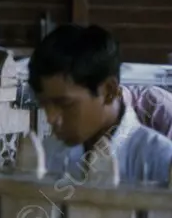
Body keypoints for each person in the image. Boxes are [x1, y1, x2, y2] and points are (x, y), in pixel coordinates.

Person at [28, 24, 172, 186]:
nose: (51, 118)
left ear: (109, 91)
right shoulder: (49, 153)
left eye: (65, 104)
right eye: (44, 104)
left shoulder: (160, 159)